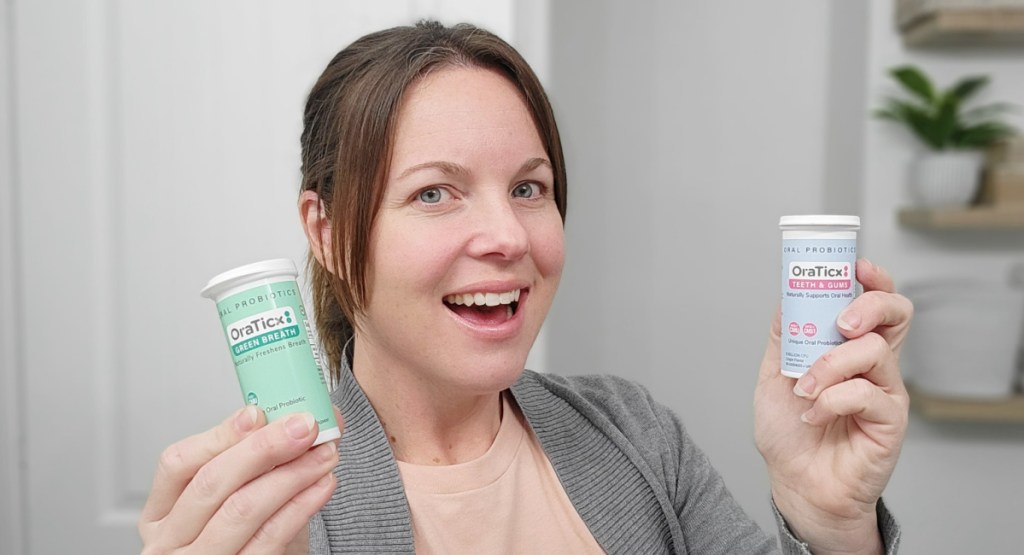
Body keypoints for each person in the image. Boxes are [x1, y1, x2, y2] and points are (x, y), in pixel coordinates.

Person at [139, 20, 912, 554]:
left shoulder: (637, 435)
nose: (508, 236)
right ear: (329, 232)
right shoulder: (271, 517)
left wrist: (833, 523)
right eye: (435, 192)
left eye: (530, 188)